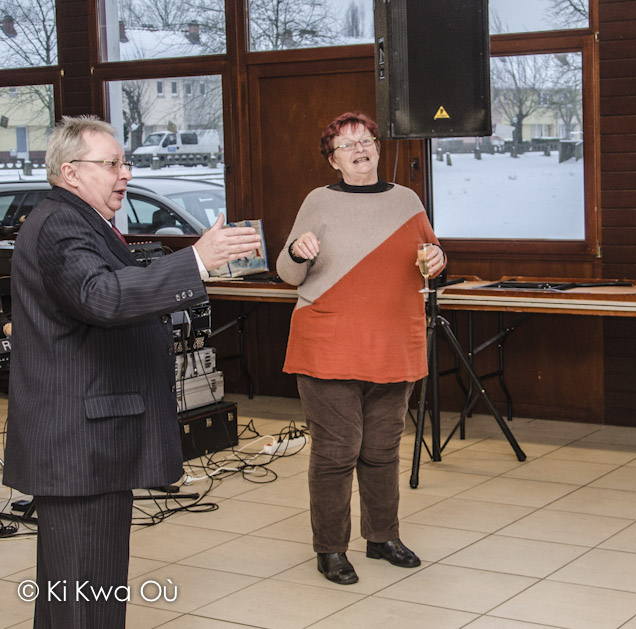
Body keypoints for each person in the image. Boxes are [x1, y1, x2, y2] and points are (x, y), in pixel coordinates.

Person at [2, 115, 261, 629]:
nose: (125, 173)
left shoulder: (80, 220)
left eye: (125, 162)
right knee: (84, 593)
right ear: (71, 172)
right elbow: (99, 297)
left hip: (90, 435)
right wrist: (196, 263)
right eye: (112, 164)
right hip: (81, 440)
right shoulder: (61, 224)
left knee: (75, 591)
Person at [276, 111, 445, 585]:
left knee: (382, 449)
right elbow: (287, 274)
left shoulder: (406, 199)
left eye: (366, 139)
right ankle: (330, 548)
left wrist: (439, 257)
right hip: (328, 341)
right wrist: (295, 253)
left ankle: (381, 537)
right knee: (336, 451)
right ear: (333, 161)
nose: (359, 149)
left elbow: (431, 265)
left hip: (393, 342)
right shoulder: (318, 201)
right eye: (346, 145)